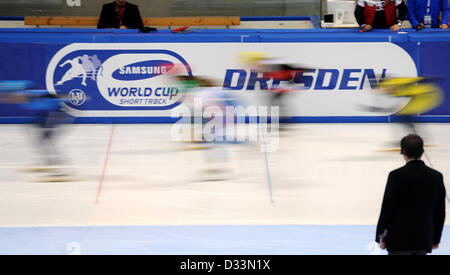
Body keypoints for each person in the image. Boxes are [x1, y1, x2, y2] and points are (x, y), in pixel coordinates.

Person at [376, 134, 446, 255]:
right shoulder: (436, 177)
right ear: (422, 152)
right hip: (422, 240)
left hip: (398, 240)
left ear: (403, 152)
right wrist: (435, 239)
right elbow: (440, 212)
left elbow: (387, 209)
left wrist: (381, 237)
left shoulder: (395, 176)